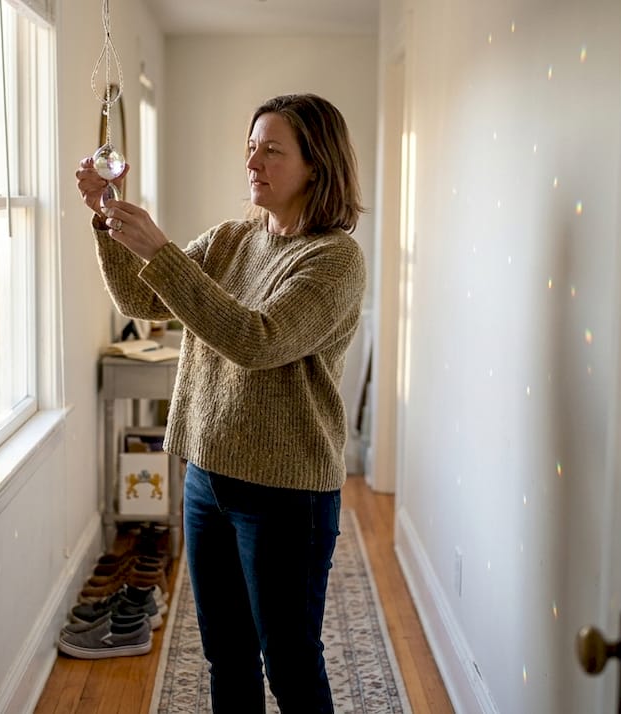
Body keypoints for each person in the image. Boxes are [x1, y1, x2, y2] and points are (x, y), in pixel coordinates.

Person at [75, 93, 366, 714]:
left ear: (317, 164)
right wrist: (108, 217)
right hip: (207, 478)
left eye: (272, 150)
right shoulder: (232, 239)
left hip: (286, 496)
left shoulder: (334, 260)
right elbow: (142, 300)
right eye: (250, 149)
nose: (253, 162)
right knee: (226, 655)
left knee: (289, 664)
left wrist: (162, 251)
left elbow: (256, 340)